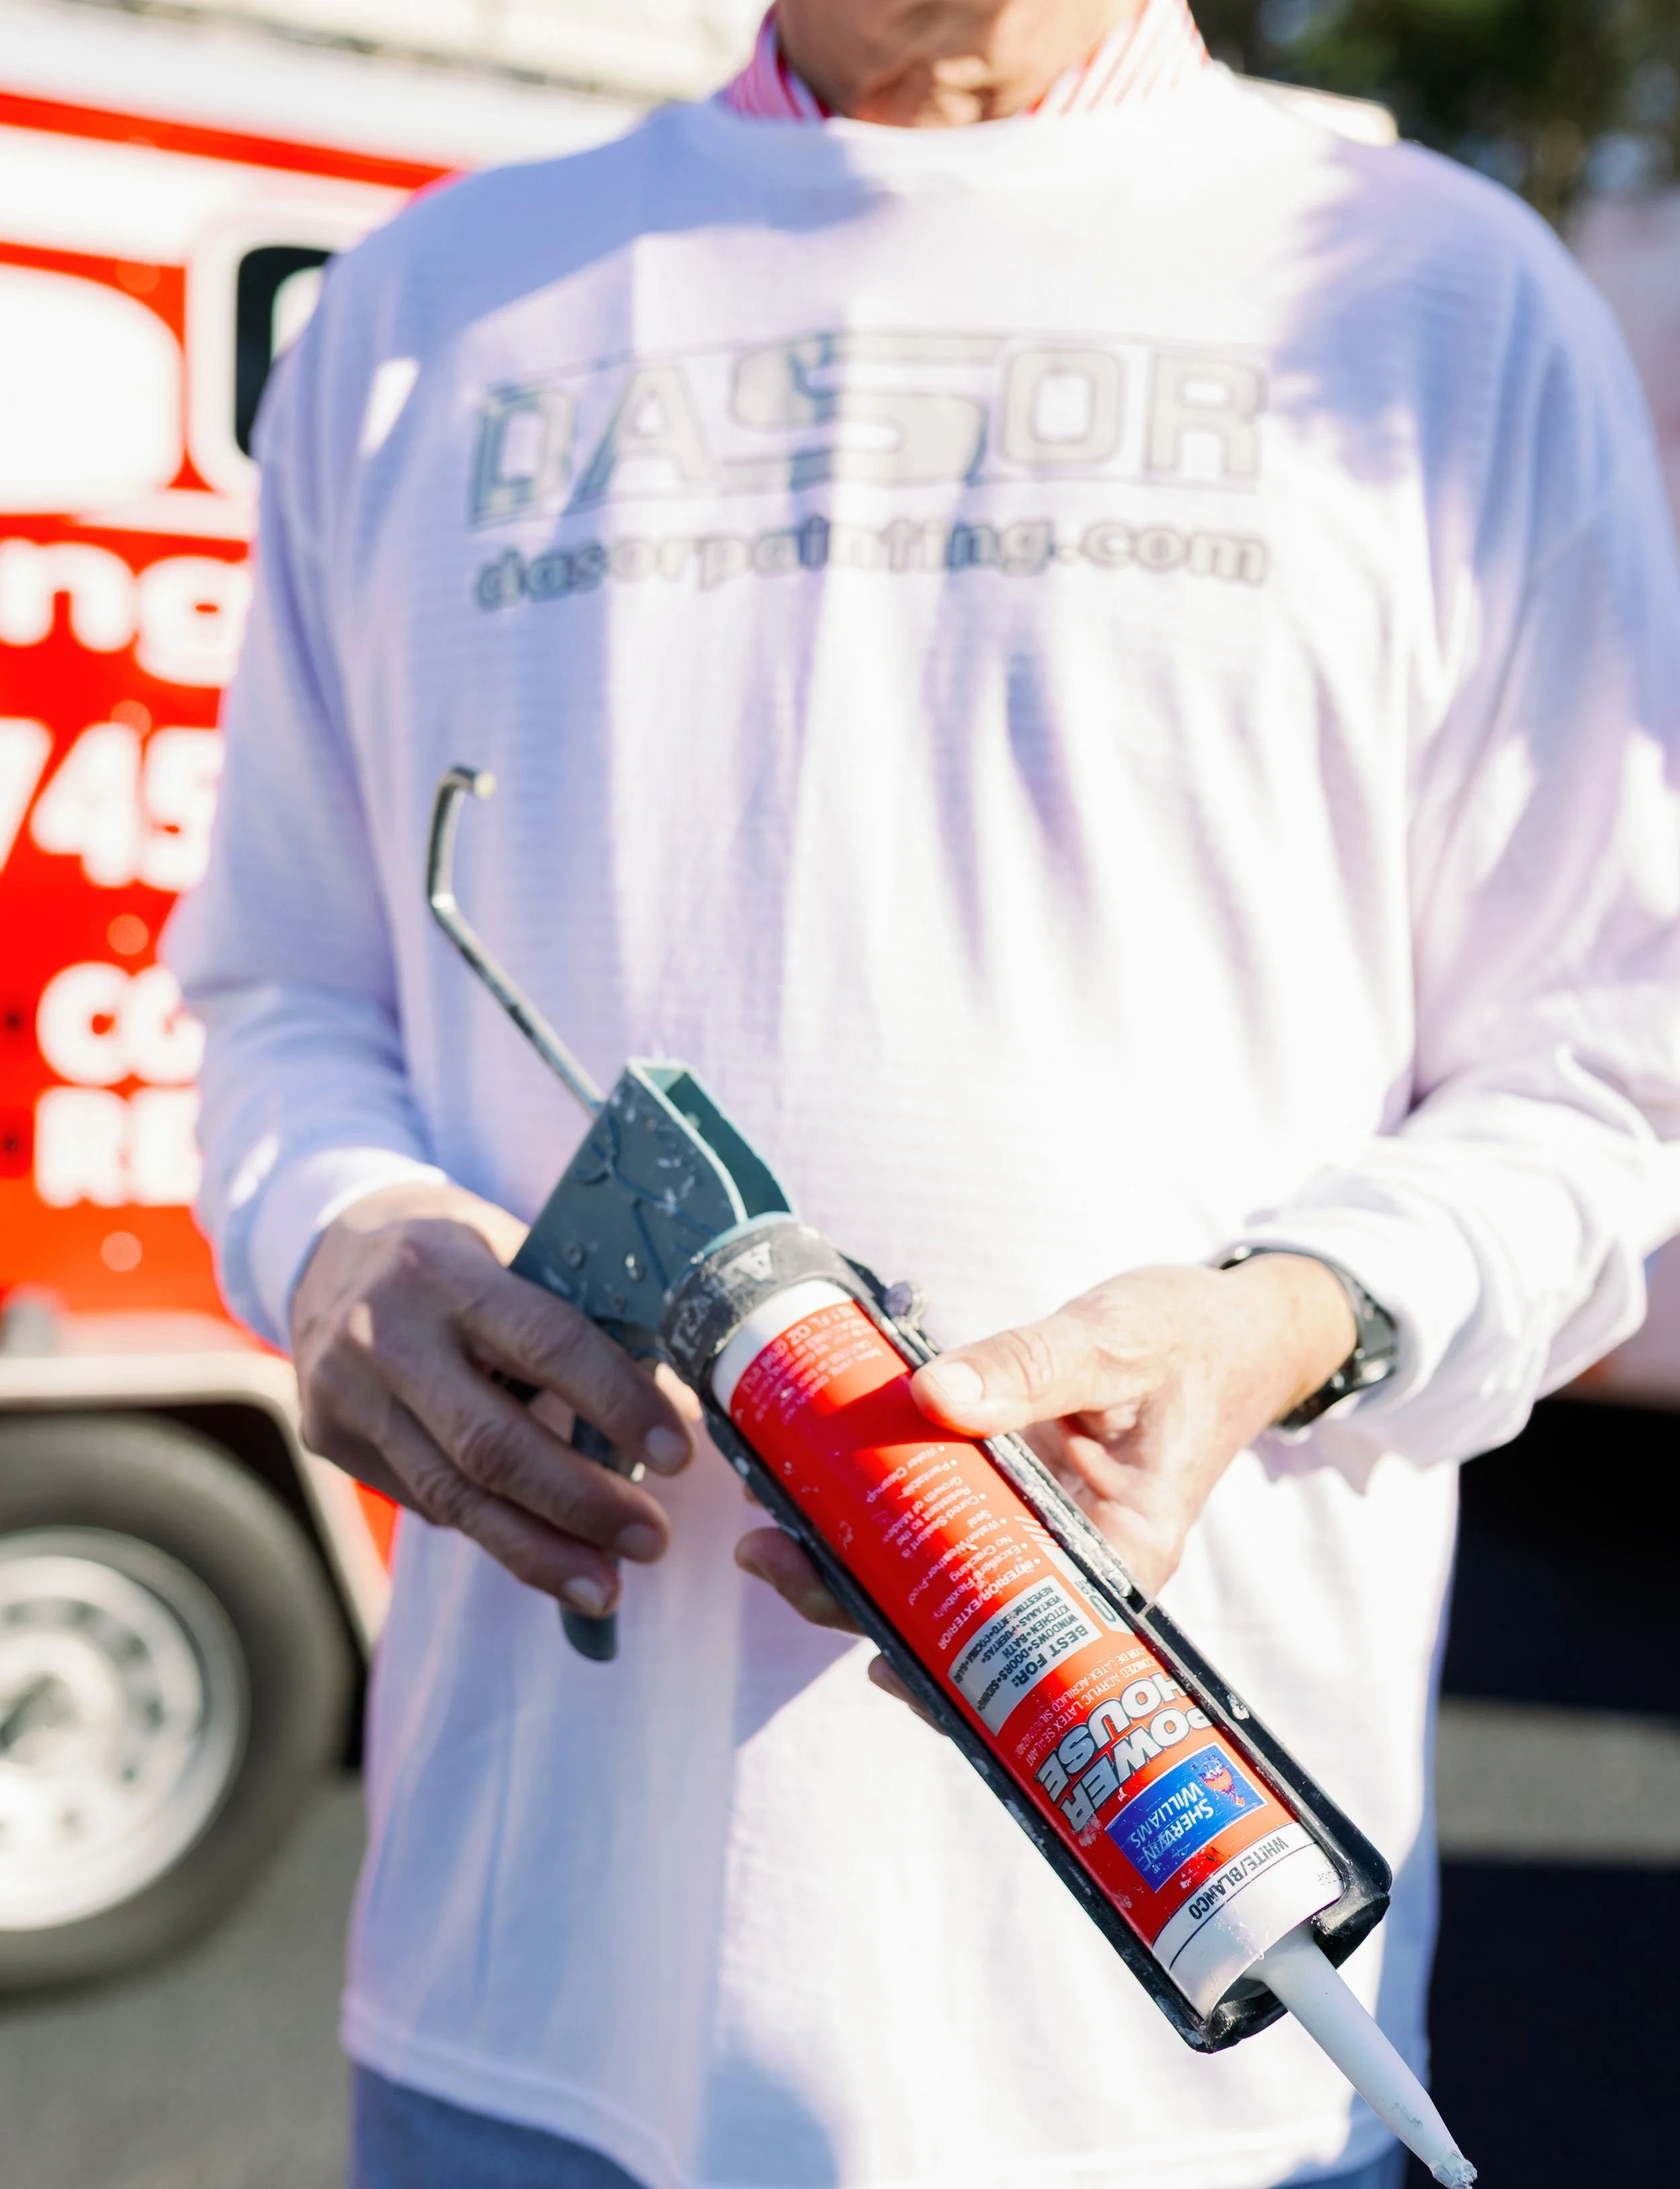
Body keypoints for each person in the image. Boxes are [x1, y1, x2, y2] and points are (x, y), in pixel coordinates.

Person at [167, 2, 1680, 2186]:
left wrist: (1287, 1321)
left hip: (1177, 2049)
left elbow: (1608, 1062)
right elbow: (282, 987)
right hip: (517, 2013)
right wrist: (334, 1239)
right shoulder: (434, 306)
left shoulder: (1429, 295)